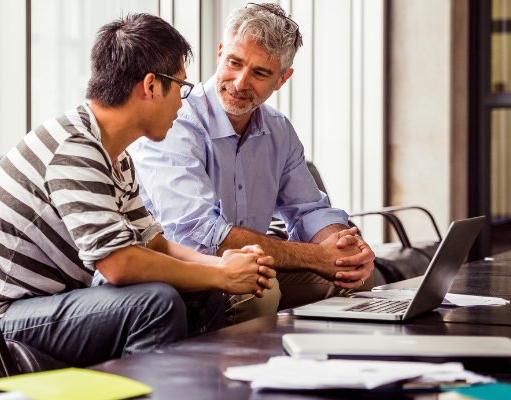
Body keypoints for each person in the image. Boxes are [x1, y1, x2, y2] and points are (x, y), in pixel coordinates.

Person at [0, 13, 276, 367]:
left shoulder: (115, 156)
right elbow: (118, 264)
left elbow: (154, 245)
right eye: (181, 87)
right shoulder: (74, 149)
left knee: (203, 294)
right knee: (156, 304)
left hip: (48, 305)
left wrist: (221, 266)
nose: (183, 103)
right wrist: (222, 273)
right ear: (151, 86)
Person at [128, 3, 375, 324]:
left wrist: (345, 248)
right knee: (261, 289)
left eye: (260, 73)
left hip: (251, 266)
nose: (241, 82)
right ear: (220, 53)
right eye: (234, 62)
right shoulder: (175, 120)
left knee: (353, 276)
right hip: (185, 268)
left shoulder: (278, 129)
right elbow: (199, 234)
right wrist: (317, 256)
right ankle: (243, 375)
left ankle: (325, 371)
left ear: (282, 79)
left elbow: (310, 210)